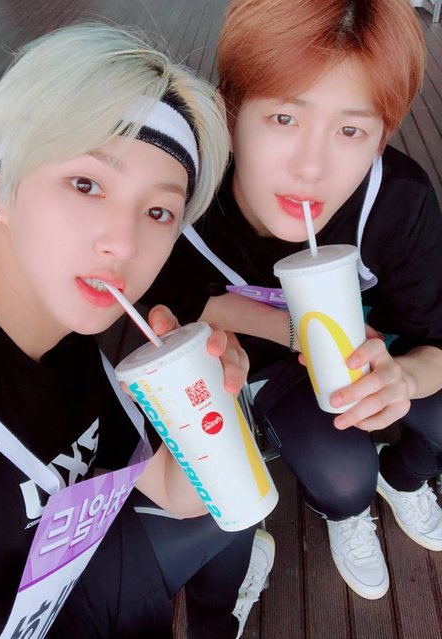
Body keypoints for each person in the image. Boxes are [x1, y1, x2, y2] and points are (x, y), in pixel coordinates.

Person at [0, 22, 274, 638]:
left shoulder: (71, 340)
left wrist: (208, 409)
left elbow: (174, 492)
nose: (125, 244)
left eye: (158, 211)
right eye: (86, 184)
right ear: (2, 188)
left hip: (76, 585)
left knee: (231, 527)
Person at [143, 0, 442, 601]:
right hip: (266, 361)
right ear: (232, 110)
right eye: (283, 118)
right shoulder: (185, 202)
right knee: (343, 477)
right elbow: (180, 304)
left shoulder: (397, 203)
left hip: (379, 349)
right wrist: (292, 331)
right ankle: (348, 513)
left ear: (381, 138)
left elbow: (436, 341)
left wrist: (404, 377)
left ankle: (405, 479)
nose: (310, 168)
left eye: (350, 130)